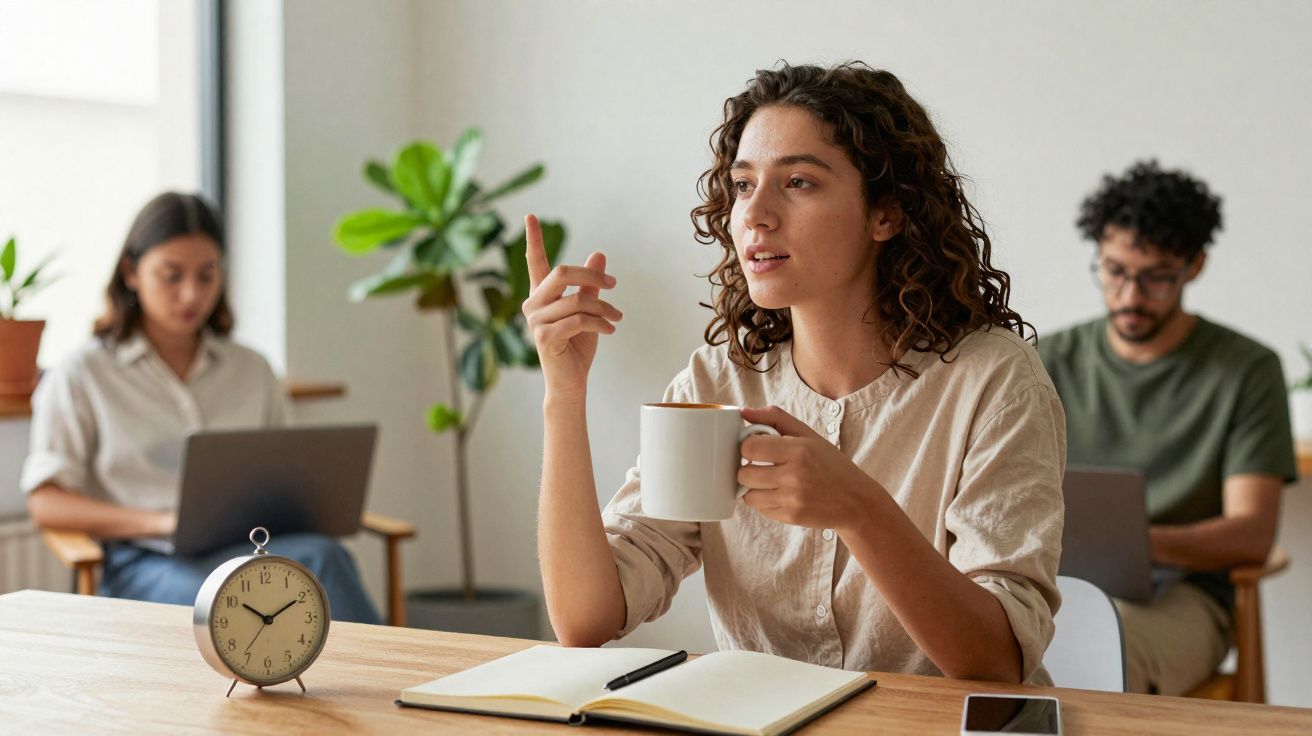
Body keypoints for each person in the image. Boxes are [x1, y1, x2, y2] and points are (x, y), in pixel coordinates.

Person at [526, 62, 1065, 684]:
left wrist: (861, 510)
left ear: (885, 214)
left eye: (800, 182)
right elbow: (586, 619)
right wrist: (563, 395)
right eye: (743, 184)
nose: (755, 214)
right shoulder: (716, 385)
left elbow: (996, 662)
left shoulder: (994, 381)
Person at [22, 192, 380, 624]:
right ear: (131, 272)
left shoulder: (251, 369)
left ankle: (389, 684)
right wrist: (159, 522)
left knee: (325, 558)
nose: (191, 294)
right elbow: (47, 503)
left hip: (250, 550)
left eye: (207, 276)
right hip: (147, 565)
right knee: (246, 599)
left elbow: (290, 479)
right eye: (171, 276)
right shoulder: (82, 373)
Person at [1039, 160, 1296, 695]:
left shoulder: (1246, 370)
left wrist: (1134, 545)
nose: (1130, 296)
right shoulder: (1049, 359)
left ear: (1194, 265)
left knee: (1096, 648)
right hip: (1054, 585)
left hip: (1184, 598)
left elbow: (1251, 533)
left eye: (1156, 277)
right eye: (1113, 271)